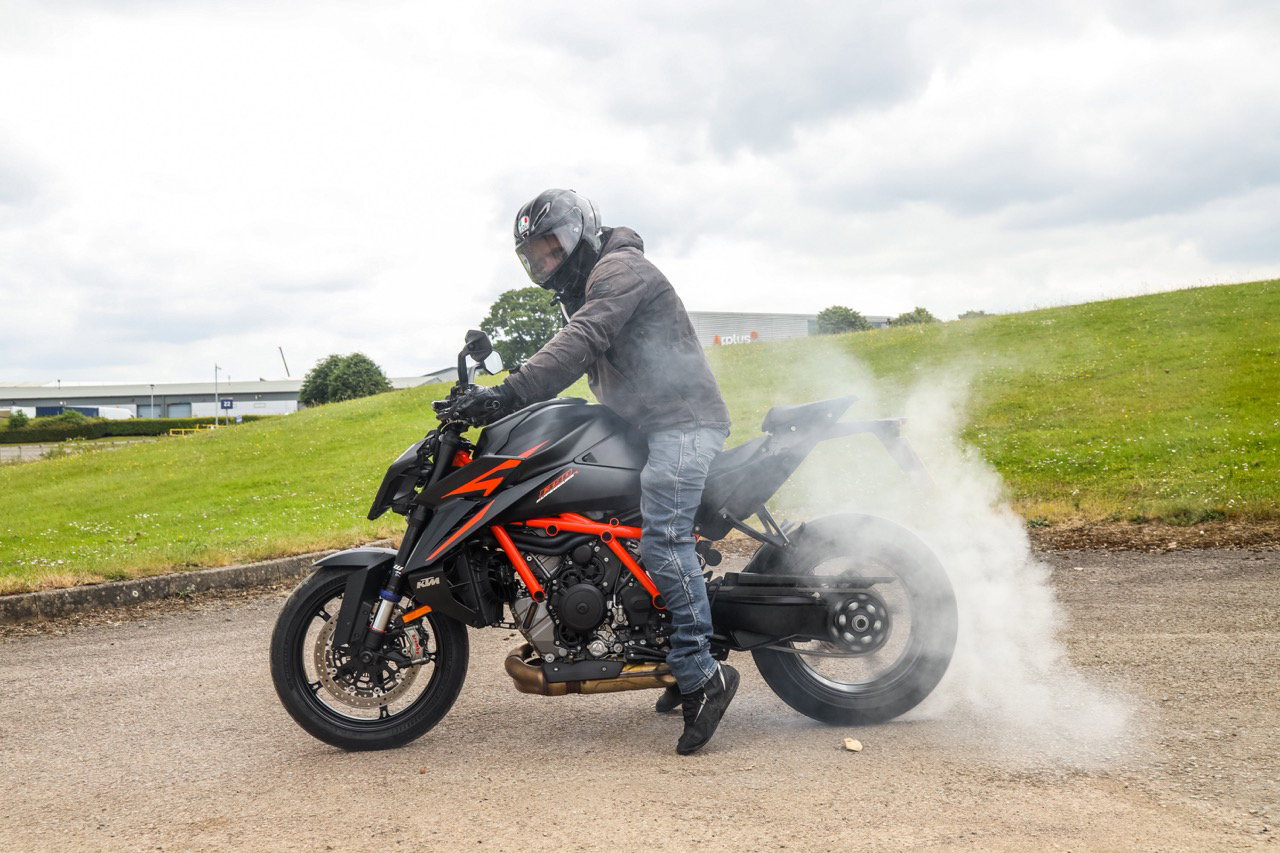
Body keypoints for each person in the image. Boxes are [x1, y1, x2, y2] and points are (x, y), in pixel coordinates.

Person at [455, 188, 738, 755]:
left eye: (551, 249)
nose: (546, 264)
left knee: (663, 539)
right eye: (535, 257)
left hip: (682, 424)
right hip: (645, 427)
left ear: (579, 232)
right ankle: (663, 654)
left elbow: (583, 340)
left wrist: (509, 393)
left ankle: (702, 673)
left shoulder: (618, 270)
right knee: (609, 532)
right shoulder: (589, 284)